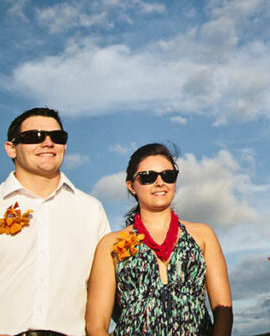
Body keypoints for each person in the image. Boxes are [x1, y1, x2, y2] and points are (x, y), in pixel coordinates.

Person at [0, 107, 111, 336]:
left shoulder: (91, 210)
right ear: (11, 148)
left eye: (57, 137)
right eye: (35, 136)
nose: (47, 143)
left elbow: (105, 291)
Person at [86, 143, 232, 336]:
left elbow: (224, 313)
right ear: (131, 186)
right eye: (148, 177)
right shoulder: (110, 244)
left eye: (168, 175)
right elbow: (96, 325)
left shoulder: (203, 235)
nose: (160, 182)